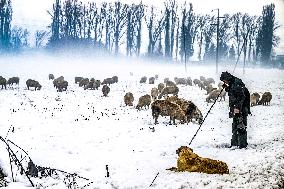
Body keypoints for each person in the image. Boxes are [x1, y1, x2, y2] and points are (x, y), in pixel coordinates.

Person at [220, 71, 251, 149]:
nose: (224, 82)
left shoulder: (236, 84)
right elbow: (234, 93)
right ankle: (234, 144)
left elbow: (241, 97)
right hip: (235, 108)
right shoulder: (232, 83)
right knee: (234, 126)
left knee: (241, 126)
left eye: (224, 80)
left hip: (241, 108)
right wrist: (227, 88)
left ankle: (242, 145)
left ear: (227, 78)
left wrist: (237, 108)